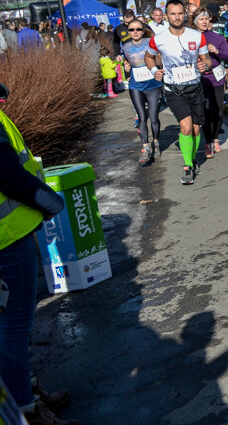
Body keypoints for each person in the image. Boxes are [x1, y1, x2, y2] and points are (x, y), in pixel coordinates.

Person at [0, 82, 77, 425]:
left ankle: (24, 390)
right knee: (14, 326)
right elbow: (7, 173)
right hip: (7, 239)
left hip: (10, 234)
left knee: (12, 327)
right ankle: (27, 409)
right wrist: (48, 201)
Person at [145, 0, 212, 184]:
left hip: (195, 88)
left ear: (185, 14)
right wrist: (154, 71)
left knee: (196, 129)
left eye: (180, 13)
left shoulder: (197, 36)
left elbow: (206, 59)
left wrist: (204, 66)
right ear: (166, 16)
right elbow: (148, 57)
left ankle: (192, 160)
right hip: (173, 89)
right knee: (186, 126)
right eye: (173, 14)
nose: (177, 17)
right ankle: (188, 165)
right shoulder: (158, 39)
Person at [120, 19, 162, 164]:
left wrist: (158, 62)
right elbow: (126, 63)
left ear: (143, 30)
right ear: (128, 32)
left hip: (153, 84)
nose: (135, 32)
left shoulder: (151, 41)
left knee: (154, 116)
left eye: (138, 29)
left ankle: (155, 143)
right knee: (141, 117)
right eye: (132, 30)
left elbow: (161, 61)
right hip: (135, 85)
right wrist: (126, 68)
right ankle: (145, 148)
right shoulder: (125, 46)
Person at [194, 9, 228, 158]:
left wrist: (217, 51)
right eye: (201, 19)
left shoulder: (217, 37)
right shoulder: (191, 37)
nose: (204, 21)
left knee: (217, 110)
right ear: (195, 21)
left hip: (216, 77)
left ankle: (215, 138)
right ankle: (208, 142)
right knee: (206, 110)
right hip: (199, 79)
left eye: (207, 19)